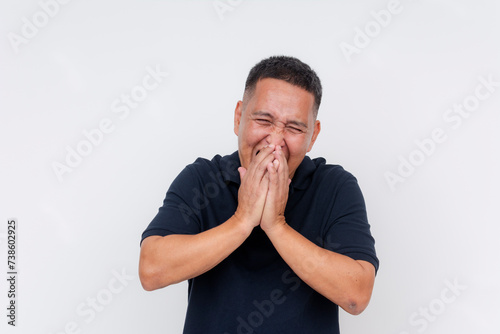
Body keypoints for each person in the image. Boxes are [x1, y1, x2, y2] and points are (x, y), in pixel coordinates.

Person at [139, 55, 379, 334]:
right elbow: (151, 270)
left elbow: (356, 295)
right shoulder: (202, 179)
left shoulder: (335, 187)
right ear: (239, 117)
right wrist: (242, 220)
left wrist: (276, 225)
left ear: (313, 136)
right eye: (264, 120)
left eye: (293, 128)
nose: (275, 141)